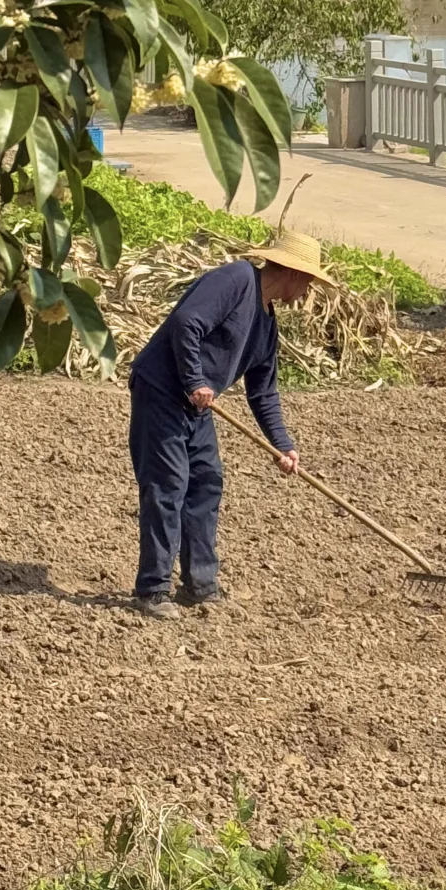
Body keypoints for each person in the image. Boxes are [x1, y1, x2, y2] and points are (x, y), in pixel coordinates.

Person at [127, 230, 335, 619]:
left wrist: (283, 445)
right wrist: (194, 381)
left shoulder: (267, 326)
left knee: (206, 482)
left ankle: (200, 585)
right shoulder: (237, 280)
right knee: (168, 486)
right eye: (308, 281)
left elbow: (263, 393)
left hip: (196, 407)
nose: (307, 291)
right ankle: (152, 590)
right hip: (162, 391)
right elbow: (187, 323)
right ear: (292, 273)